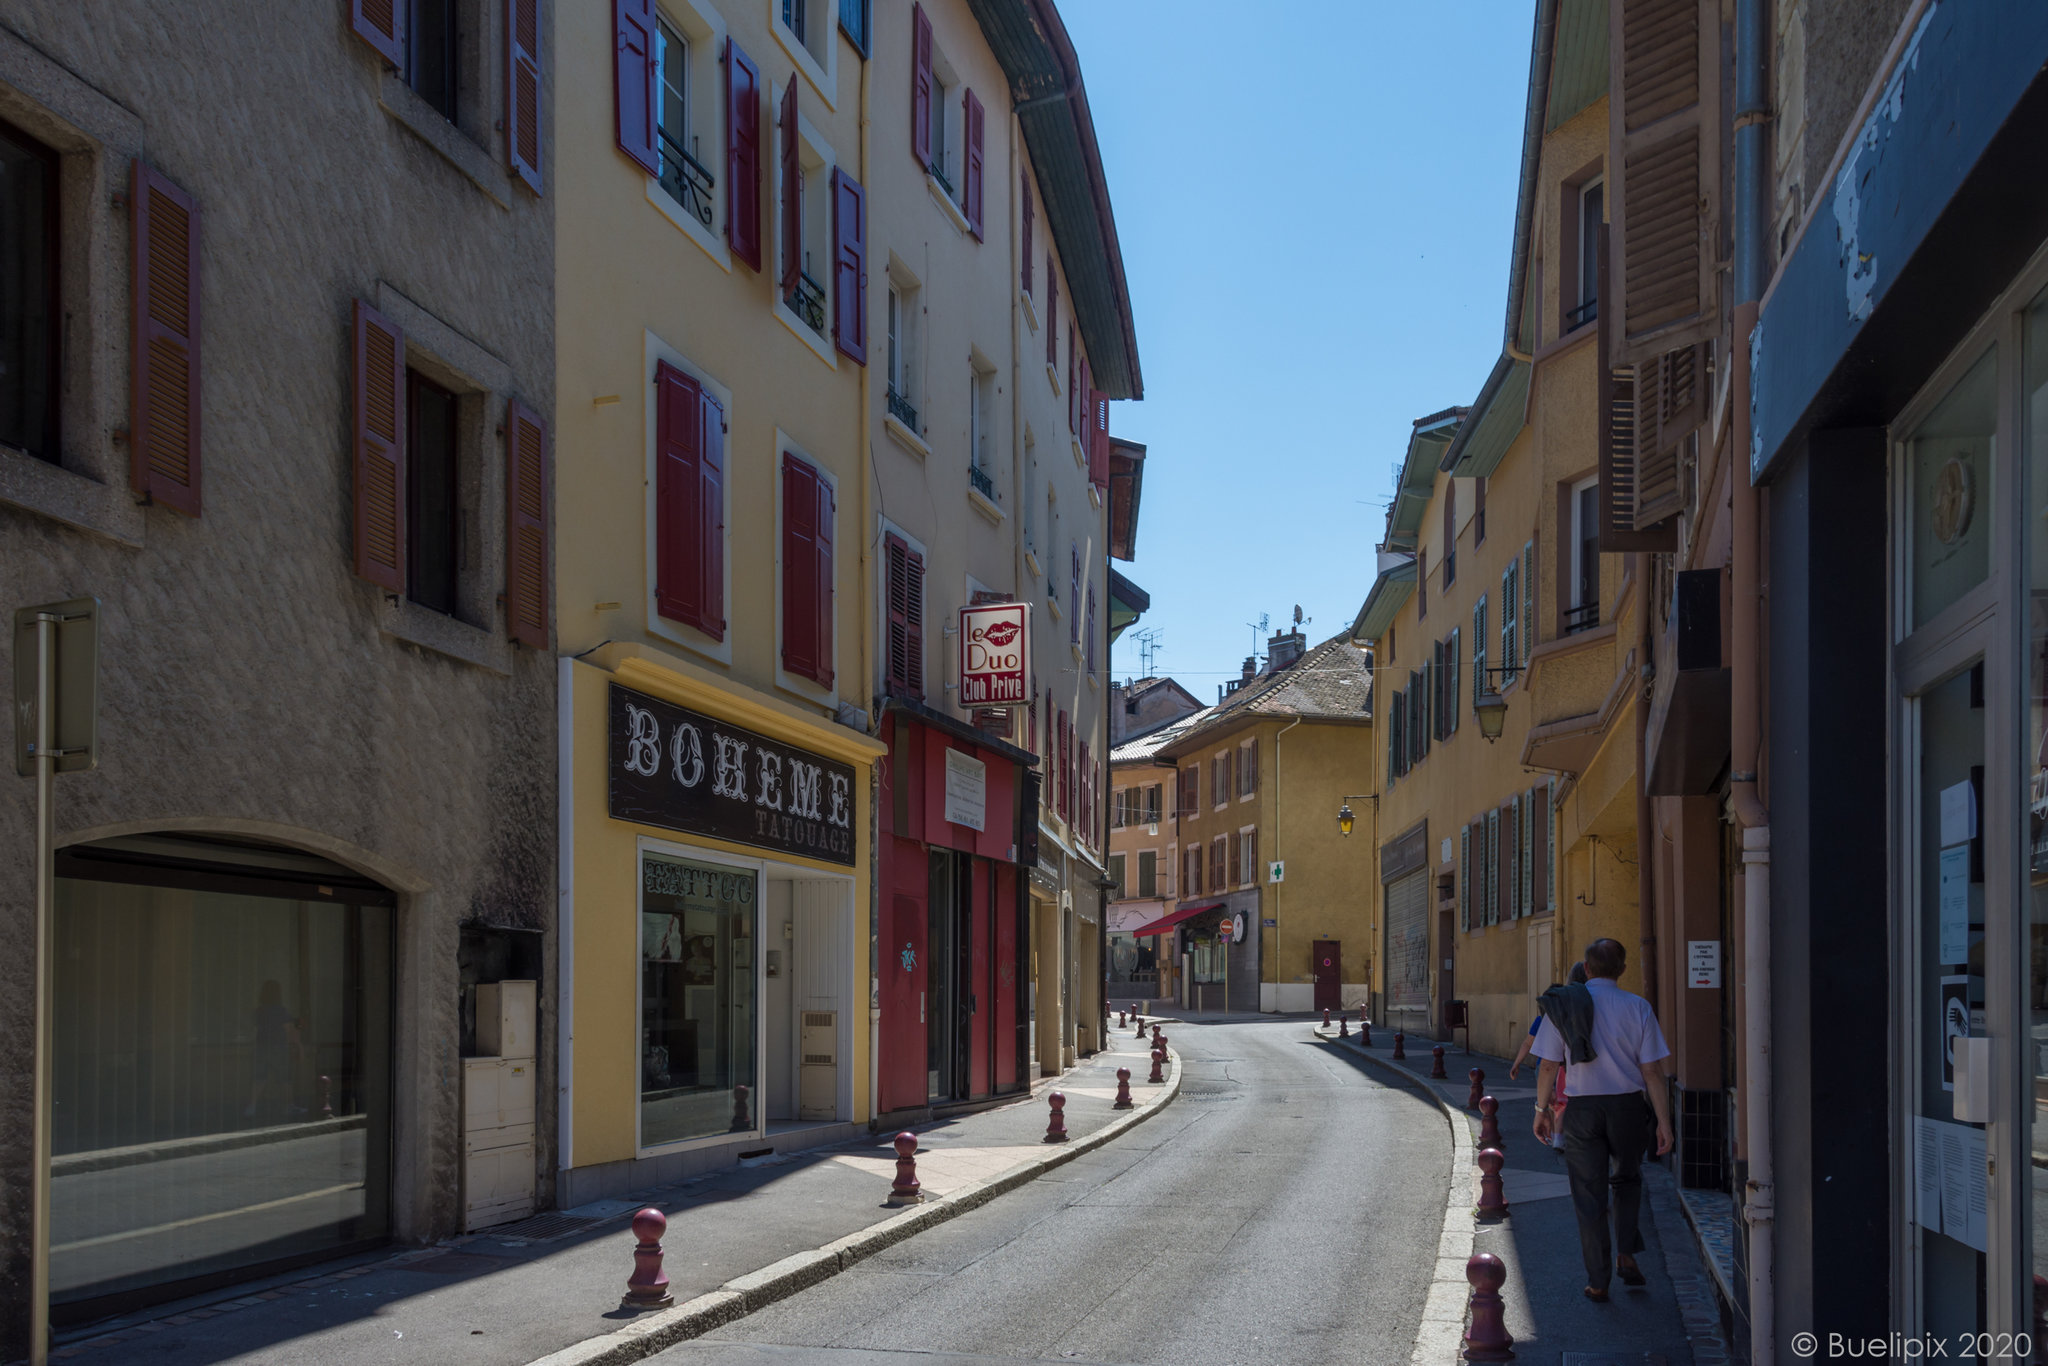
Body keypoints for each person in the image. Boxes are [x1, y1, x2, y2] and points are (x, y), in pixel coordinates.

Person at [1529, 938, 1672, 1303]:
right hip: (1627, 1108)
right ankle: (1626, 1252)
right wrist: (1663, 1121)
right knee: (1627, 1180)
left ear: (1587, 969)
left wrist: (1541, 1110)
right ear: (1622, 970)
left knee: (1588, 1194)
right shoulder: (1638, 1007)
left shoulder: (1563, 1005)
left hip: (1581, 1111)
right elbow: (1652, 1072)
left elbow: (1548, 1064)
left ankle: (1598, 1280)